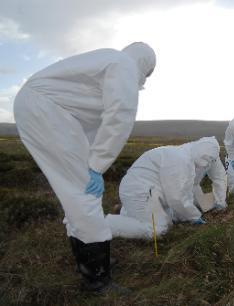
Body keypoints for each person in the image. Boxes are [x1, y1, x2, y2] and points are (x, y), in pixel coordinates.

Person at [13, 42, 156, 293]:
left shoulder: (109, 63)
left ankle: (89, 259)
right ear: (144, 66)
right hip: (46, 110)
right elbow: (119, 116)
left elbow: (88, 127)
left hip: (41, 108)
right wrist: (97, 166)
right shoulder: (123, 66)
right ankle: (97, 279)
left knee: (76, 191)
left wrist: (91, 161)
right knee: (84, 191)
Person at [106, 137, 223, 239]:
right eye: (202, 162)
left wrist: (215, 202)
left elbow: (187, 191)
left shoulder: (188, 157)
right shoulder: (179, 161)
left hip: (149, 192)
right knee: (158, 229)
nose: (203, 166)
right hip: (139, 191)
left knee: (170, 219)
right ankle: (107, 224)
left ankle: (128, 211)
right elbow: (176, 198)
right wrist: (194, 216)